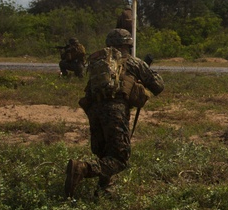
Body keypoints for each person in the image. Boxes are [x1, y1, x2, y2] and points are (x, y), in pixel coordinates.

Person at [65, 28, 164, 198]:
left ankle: (105, 191)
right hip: (115, 110)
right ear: (128, 44)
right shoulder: (134, 63)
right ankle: (83, 168)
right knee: (119, 158)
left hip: (94, 110)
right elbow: (158, 86)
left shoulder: (97, 63)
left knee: (105, 153)